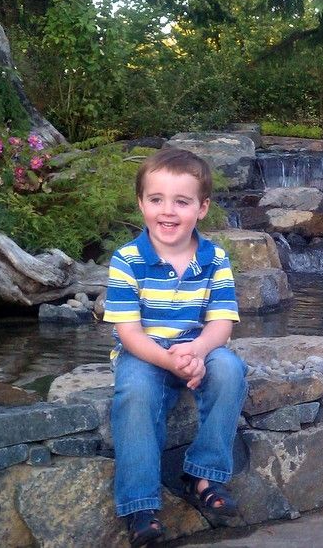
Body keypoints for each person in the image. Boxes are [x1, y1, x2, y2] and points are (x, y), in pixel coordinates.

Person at [103, 148, 247, 547]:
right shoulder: (128, 259)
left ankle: (203, 475)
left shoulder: (214, 257)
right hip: (144, 353)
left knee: (231, 370)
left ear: (202, 208)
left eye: (181, 202)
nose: (167, 212)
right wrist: (168, 359)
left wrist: (198, 351)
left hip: (197, 346)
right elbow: (128, 332)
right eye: (156, 200)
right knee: (135, 392)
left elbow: (222, 324)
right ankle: (140, 504)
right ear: (141, 203)